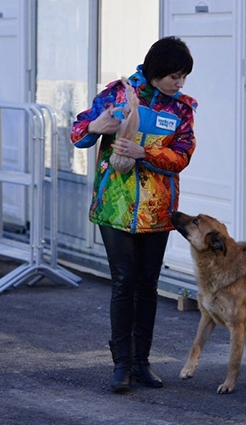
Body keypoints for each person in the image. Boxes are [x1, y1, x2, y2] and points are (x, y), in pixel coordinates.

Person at [70, 36, 197, 393]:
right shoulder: (117, 93)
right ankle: (121, 365)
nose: (180, 83)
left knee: (147, 284)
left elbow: (182, 156)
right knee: (124, 283)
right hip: (115, 207)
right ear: (156, 71)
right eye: (175, 76)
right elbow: (78, 131)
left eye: (184, 77)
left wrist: (145, 152)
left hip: (158, 212)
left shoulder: (182, 109)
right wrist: (97, 128)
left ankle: (143, 363)